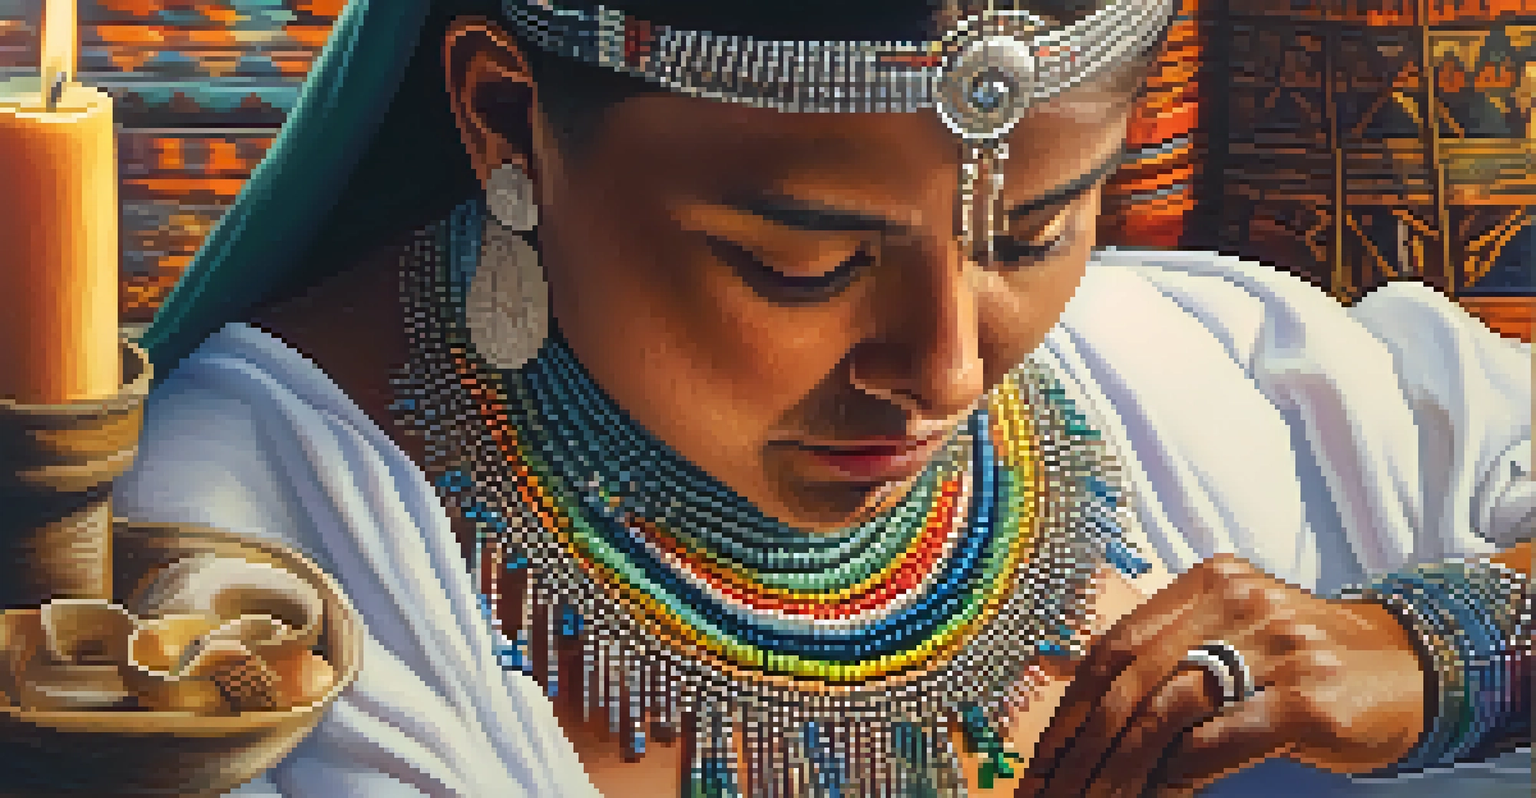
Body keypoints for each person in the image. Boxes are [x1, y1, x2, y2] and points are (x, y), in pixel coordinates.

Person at [112, 0, 1532, 796]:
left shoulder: (1196, 366)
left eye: (1032, 234)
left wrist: (1457, 646)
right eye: (803, 262)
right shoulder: (238, 570)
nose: (949, 369)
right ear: (501, 118)